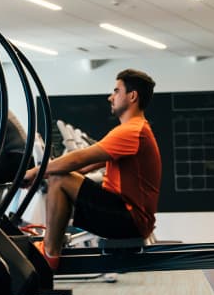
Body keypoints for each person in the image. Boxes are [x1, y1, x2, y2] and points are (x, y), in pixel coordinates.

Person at [23, 69, 161, 269]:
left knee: (60, 180)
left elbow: (79, 158)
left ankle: (49, 254)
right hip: (128, 216)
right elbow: (86, 167)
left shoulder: (132, 131)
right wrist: (45, 177)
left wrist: (36, 171)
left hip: (129, 219)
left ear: (132, 96)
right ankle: (52, 247)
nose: (110, 97)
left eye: (116, 91)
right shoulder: (135, 129)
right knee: (59, 178)